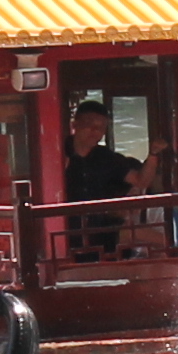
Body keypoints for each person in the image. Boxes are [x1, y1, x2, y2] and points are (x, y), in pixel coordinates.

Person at [62, 99, 141, 257]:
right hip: (65, 231)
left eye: (101, 127)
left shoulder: (106, 157)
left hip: (101, 229)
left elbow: (139, 180)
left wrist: (153, 155)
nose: (95, 131)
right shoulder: (58, 152)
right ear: (75, 124)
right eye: (89, 124)